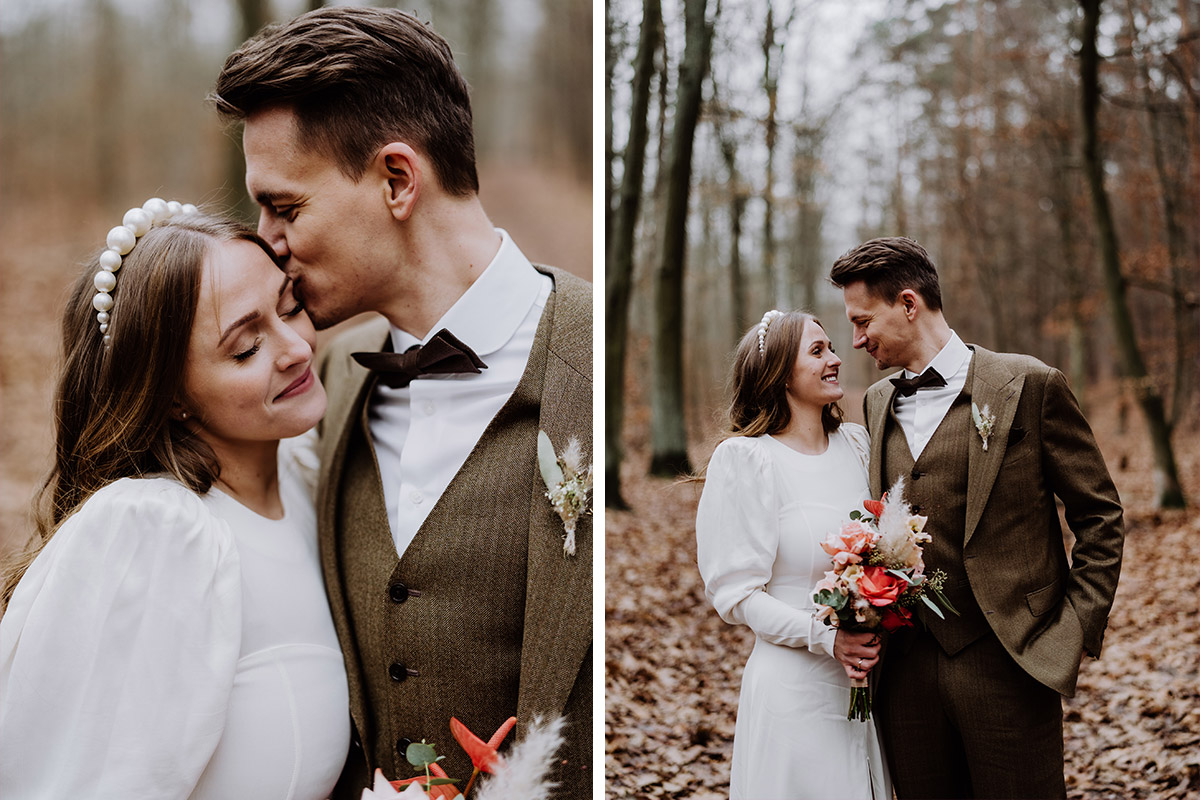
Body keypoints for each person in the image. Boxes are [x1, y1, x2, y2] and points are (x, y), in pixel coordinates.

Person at [211, 7, 592, 798]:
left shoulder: (593, 357)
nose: (264, 240)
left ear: (396, 179)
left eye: (285, 207)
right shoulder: (318, 394)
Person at [0, 201, 350, 798]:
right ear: (172, 398)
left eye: (290, 306)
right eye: (245, 348)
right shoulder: (154, 532)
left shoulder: (308, 475)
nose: (295, 347)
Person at [829, 236, 1125, 799]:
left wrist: (1070, 633)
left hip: (1011, 658)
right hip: (907, 669)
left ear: (909, 304)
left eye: (864, 321)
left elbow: (1100, 516)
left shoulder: (1030, 385)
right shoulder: (876, 401)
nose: (857, 339)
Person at [695, 310, 892, 800]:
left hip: (865, 684)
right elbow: (736, 594)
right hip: (793, 689)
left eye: (831, 348)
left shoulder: (857, 444)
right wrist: (827, 637)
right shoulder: (746, 459)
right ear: (782, 372)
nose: (837, 359)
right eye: (819, 351)